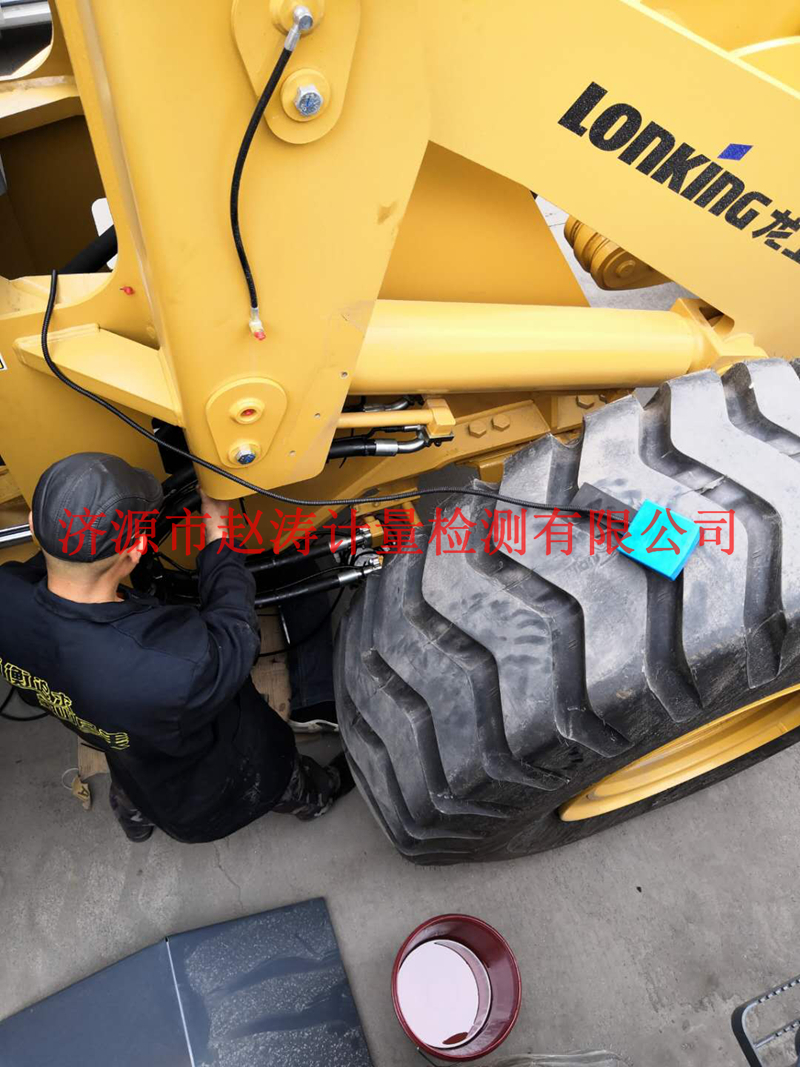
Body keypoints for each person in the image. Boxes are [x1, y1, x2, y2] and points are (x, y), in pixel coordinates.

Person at [0, 452, 353, 843]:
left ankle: (135, 824)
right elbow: (236, 635)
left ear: (32, 525)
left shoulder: (5, 597)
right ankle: (316, 798)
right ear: (137, 548)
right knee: (283, 780)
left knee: (131, 782)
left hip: (131, 760)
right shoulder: (171, 666)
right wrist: (219, 536)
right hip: (212, 786)